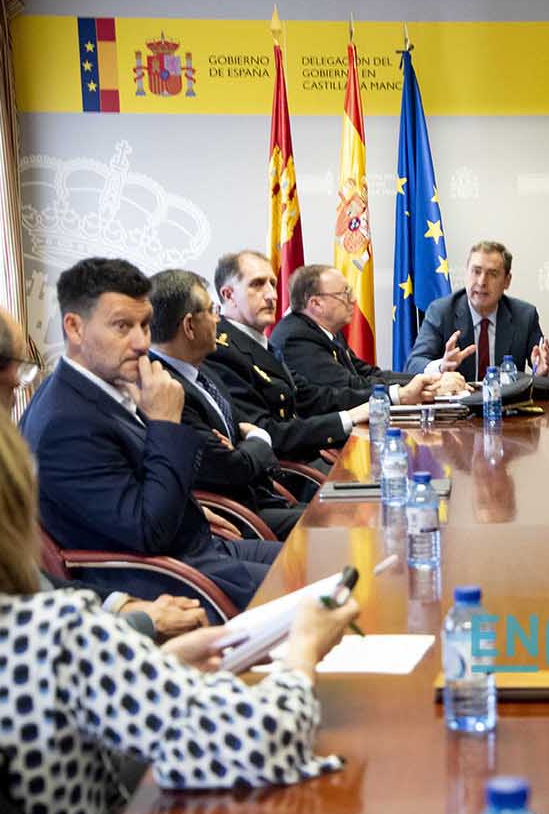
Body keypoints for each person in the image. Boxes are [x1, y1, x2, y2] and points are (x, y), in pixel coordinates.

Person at [0, 377, 360, 814]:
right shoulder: (53, 636)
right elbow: (263, 739)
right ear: (2, 496)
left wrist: (157, 663)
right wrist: (304, 647)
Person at [0, 291, 207, 639]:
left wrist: (119, 605)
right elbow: (11, 635)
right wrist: (146, 623)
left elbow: (31, 584)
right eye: (19, 376)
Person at [20, 257, 281, 614]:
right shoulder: (64, 422)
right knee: (313, 586)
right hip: (166, 580)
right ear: (75, 328)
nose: (142, 342)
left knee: (318, 556)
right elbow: (147, 531)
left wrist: (194, 505)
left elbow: (138, 487)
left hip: (200, 546)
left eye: (145, 325)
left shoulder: (105, 387)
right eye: (122, 326)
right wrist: (166, 426)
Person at [147, 270, 304, 539]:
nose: (218, 319)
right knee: (336, 525)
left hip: (261, 498)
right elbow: (231, 467)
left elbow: (243, 432)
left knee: (342, 514)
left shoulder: (204, 371)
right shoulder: (165, 389)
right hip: (233, 519)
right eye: (211, 310)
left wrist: (246, 442)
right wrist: (257, 438)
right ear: (188, 326)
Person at [205, 250, 371, 463]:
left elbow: (309, 396)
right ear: (229, 295)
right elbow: (267, 432)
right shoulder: (221, 351)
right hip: (281, 474)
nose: (272, 295)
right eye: (257, 284)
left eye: (272, 284)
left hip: (305, 457)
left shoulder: (263, 344)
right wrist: (347, 419)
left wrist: (388, 399)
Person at [268, 264, 441, 400]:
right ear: (316, 304)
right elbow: (348, 385)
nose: (353, 299)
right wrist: (418, 387)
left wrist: (427, 380)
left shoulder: (327, 331)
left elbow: (368, 373)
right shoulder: (296, 338)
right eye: (344, 293)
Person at [404, 240, 549, 382]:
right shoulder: (441, 312)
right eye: (476, 271)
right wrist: (441, 366)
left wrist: (544, 370)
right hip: (458, 409)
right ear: (467, 273)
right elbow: (413, 364)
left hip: (507, 410)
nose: (481, 282)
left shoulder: (524, 316)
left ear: (507, 281)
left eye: (492, 274)